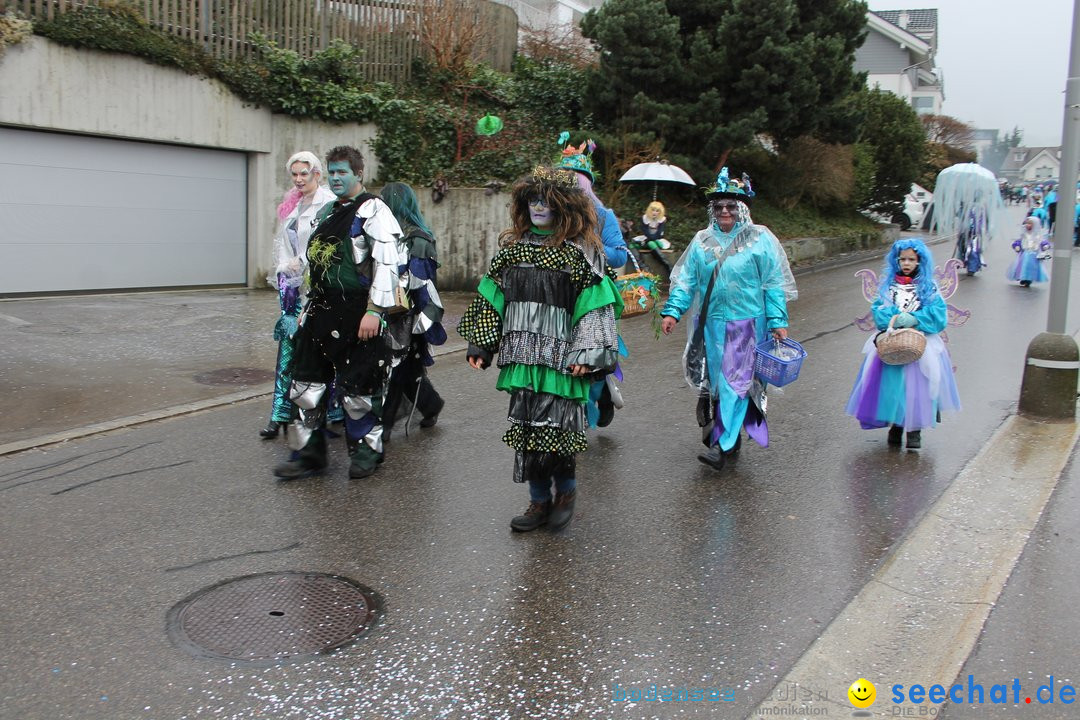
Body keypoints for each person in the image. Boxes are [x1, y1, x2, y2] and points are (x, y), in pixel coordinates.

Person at [457, 165, 622, 532]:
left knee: (558, 432)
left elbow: (596, 306)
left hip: (563, 361)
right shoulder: (512, 252)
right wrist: (481, 343)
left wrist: (588, 354)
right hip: (522, 359)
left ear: (563, 205)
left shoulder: (580, 254)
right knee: (530, 431)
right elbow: (492, 297)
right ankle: (537, 501)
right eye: (532, 200)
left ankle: (565, 494)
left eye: (546, 201)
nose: (538, 207)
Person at [273, 146, 407, 480]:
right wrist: (304, 307)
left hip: (359, 312)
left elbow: (390, 264)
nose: (335, 178)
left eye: (342, 172)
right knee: (305, 383)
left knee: (360, 389)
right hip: (320, 309)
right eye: (331, 172)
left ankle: (367, 452)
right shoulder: (328, 211)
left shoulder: (374, 210)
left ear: (359, 173)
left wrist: (375, 311)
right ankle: (308, 453)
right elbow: (313, 263)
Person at [660, 168, 797, 471]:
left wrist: (777, 320)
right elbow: (686, 281)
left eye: (731, 206)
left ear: (742, 209)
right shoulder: (701, 241)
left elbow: (773, 283)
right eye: (719, 206)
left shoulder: (760, 240)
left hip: (746, 324)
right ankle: (729, 439)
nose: (724, 211)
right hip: (710, 326)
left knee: (736, 382)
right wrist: (673, 310)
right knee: (718, 383)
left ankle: (721, 446)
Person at [845, 238, 961, 449]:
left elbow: (938, 315)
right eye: (902, 259)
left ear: (919, 261)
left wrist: (915, 319)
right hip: (893, 342)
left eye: (911, 259)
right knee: (893, 387)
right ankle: (897, 425)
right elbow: (878, 311)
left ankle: (914, 430)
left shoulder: (928, 287)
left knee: (920, 387)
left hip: (920, 343)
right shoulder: (889, 287)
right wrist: (895, 319)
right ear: (896, 261)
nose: (906, 263)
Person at [261, 151, 337, 439]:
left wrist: (305, 263)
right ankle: (280, 413)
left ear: (316, 174)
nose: (298, 179)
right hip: (291, 289)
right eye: (294, 174)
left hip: (317, 289)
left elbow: (327, 246)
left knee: (320, 350)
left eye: (304, 173)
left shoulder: (328, 204)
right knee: (287, 349)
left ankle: (329, 410)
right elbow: (282, 242)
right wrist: (285, 265)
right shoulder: (292, 205)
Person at [556, 133, 629, 427]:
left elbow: (620, 255)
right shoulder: (551, 215)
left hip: (596, 297)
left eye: (576, 181)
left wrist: (589, 248)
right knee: (565, 359)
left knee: (594, 358)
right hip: (561, 297)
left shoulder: (602, 215)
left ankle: (593, 405)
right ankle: (576, 413)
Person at [379, 182, 446, 437]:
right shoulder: (388, 232)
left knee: (399, 369)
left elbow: (422, 282)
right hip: (390, 312)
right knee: (404, 371)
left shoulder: (417, 238)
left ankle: (384, 426)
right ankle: (431, 404)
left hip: (411, 316)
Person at [1007, 216, 1052, 287]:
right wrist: (1017, 246)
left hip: (1034, 254)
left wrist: (1045, 246)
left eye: (1030, 224)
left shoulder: (1038, 235)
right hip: (1025, 253)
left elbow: (1043, 242)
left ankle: (1029, 279)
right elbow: (1019, 241)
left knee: (1031, 267)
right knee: (1022, 266)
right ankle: (1022, 278)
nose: (1028, 225)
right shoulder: (1024, 234)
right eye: (1027, 224)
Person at [634, 200, 673, 273]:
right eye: (653, 210)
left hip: (658, 241)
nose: (655, 212)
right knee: (633, 245)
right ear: (649, 210)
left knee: (651, 243)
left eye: (657, 211)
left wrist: (652, 238)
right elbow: (645, 232)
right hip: (647, 239)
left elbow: (659, 234)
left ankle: (669, 267)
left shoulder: (662, 220)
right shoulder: (645, 218)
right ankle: (643, 268)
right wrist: (649, 238)